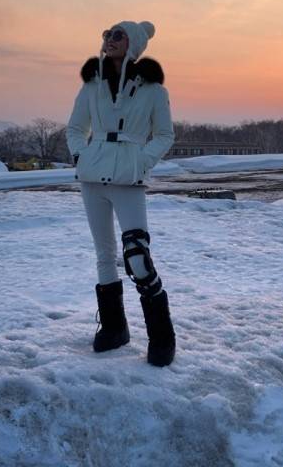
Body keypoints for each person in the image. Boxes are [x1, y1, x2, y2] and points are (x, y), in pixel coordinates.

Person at [66, 21, 176, 367]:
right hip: (92, 176)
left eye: (117, 35)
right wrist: (81, 155)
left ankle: (162, 335)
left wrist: (141, 160)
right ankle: (114, 328)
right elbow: (74, 128)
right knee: (103, 254)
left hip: (129, 178)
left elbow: (164, 135)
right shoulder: (91, 85)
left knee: (137, 256)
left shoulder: (154, 90)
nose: (108, 40)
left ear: (134, 43)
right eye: (105, 34)